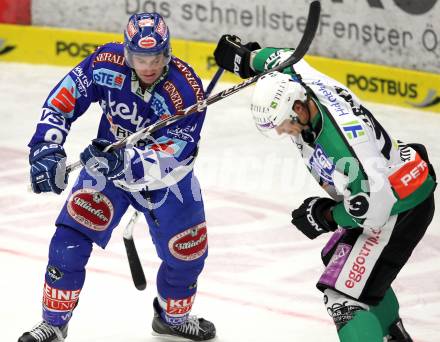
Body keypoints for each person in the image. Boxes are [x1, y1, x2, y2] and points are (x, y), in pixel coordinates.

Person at [213, 35, 436, 342]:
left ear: (299, 108)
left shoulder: (344, 149)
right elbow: (283, 58)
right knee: (339, 260)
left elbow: (373, 210)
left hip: (398, 204)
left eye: (285, 124)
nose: (283, 131)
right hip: (394, 181)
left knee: (344, 298)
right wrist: (248, 59)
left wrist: (327, 215)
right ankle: (392, 335)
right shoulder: (302, 84)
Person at [20, 12, 216, 342]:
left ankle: (173, 318)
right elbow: (61, 102)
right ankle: (54, 324)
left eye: (155, 56)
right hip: (106, 172)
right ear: (127, 53)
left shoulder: (186, 89)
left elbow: (172, 157)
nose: (148, 65)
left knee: (187, 255)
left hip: (169, 183)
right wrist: (46, 148)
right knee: (67, 243)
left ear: (167, 53)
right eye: (140, 57)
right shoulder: (105, 63)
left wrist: (123, 162)